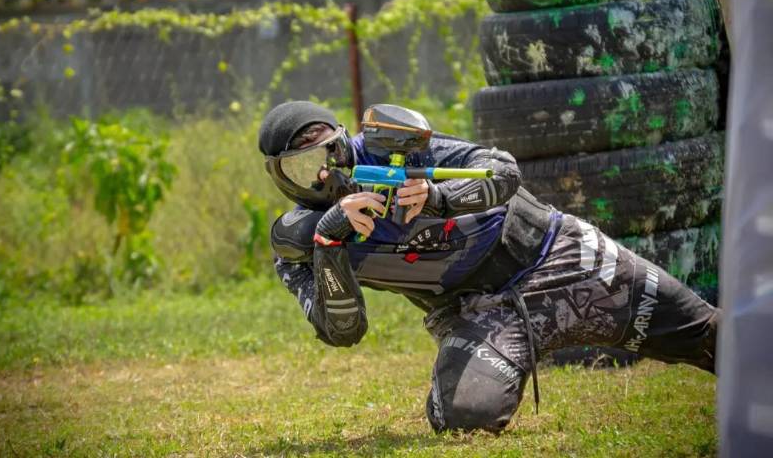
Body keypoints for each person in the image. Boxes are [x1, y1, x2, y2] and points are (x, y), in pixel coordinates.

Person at [257, 100, 719, 433]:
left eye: (329, 154)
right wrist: (330, 243)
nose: (322, 174)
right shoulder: (300, 244)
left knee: (711, 337)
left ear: (343, 140)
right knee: (465, 419)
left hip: (561, 256)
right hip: (479, 316)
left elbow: (502, 170)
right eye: (301, 169)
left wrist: (440, 198)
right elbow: (343, 331)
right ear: (279, 177)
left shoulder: (391, 145)